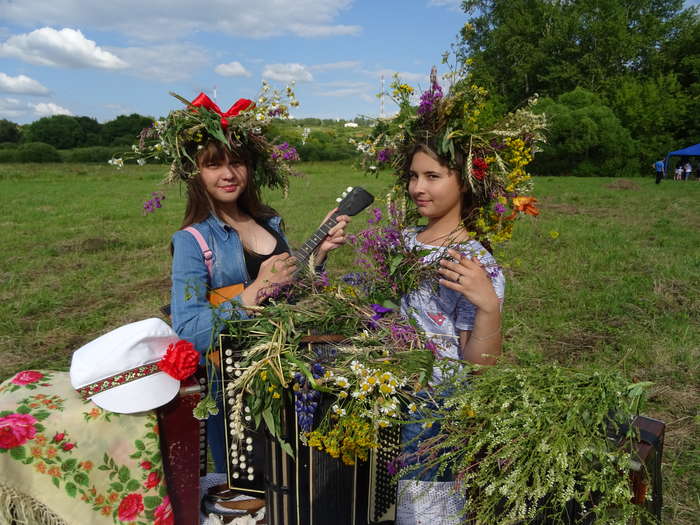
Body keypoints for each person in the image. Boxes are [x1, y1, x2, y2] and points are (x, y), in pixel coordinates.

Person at [128, 89, 349, 475]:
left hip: (291, 371)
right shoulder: (192, 242)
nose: (228, 174)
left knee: (302, 480)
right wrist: (255, 290)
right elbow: (191, 331)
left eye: (237, 163)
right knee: (252, 488)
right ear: (194, 172)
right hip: (235, 389)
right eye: (214, 165)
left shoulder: (269, 221)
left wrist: (319, 254)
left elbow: (290, 295)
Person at [361, 67, 543, 524]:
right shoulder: (401, 241)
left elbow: (480, 366)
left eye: (433, 176)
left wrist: (488, 305)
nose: (417, 187)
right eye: (412, 175)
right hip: (384, 396)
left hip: (435, 412)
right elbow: (377, 309)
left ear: (464, 181)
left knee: (426, 513)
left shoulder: (472, 263)